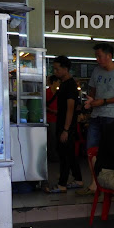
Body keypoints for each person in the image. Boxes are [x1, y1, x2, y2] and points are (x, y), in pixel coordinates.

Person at [79, 43, 114, 195]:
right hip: (96, 115)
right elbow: (93, 90)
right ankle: (94, 182)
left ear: (109, 56)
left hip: (113, 116)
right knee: (91, 148)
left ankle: (112, 181)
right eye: (96, 56)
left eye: (99, 56)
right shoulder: (96, 71)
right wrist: (91, 101)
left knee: (113, 150)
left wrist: (104, 101)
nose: (97, 59)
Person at [45, 57, 83, 193]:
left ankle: (62, 184)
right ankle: (78, 179)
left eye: (57, 69)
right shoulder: (64, 84)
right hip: (64, 124)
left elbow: (70, 109)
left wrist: (66, 130)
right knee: (70, 154)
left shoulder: (70, 85)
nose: (55, 72)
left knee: (65, 154)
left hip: (66, 126)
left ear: (65, 69)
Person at [46, 75, 60, 162]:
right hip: (49, 118)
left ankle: (54, 154)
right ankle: (51, 155)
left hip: (57, 119)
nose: (59, 84)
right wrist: (52, 111)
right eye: (58, 82)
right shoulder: (46, 92)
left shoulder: (59, 93)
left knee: (55, 137)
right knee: (51, 138)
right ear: (54, 82)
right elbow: (43, 106)